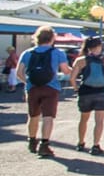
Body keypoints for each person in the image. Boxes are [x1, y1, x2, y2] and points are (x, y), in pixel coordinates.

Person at [16, 25, 72, 158]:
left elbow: (19, 73)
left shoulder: (28, 53)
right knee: (48, 117)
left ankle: (31, 140)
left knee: (33, 116)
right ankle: (44, 144)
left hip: (32, 87)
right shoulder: (58, 53)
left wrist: (28, 82)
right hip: (51, 87)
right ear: (52, 38)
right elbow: (65, 70)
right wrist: (73, 70)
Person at [69, 37, 104, 154]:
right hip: (102, 92)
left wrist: (76, 89)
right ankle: (96, 145)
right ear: (99, 47)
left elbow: (72, 78)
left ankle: (81, 142)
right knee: (99, 121)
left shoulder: (81, 60)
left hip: (85, 92)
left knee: (84, 119)